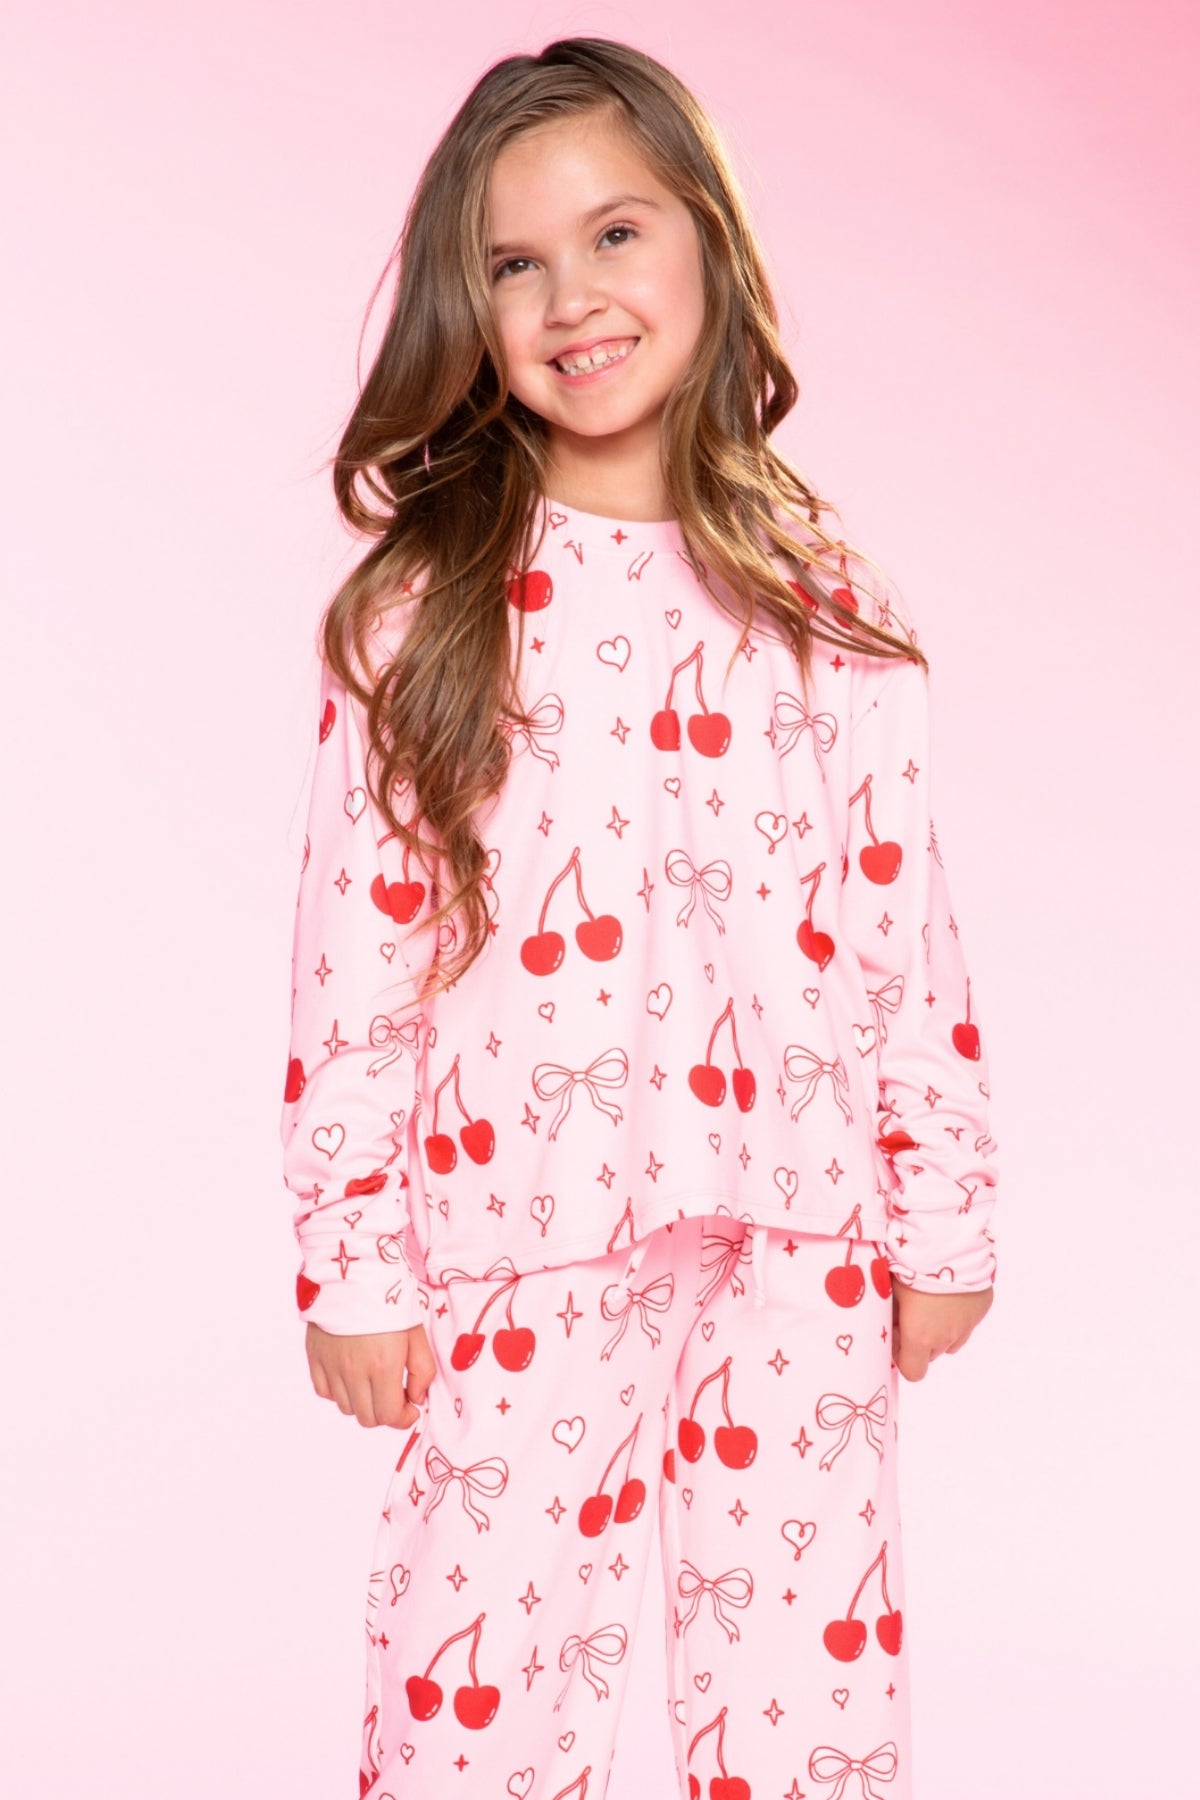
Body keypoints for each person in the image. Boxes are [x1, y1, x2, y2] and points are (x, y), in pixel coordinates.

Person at [279, 36, 999, 1800]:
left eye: (615, 234)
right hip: (521, 1226)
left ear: (708, 245)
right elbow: (356, 957)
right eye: (513, 263)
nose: (570, 297)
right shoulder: (429, 614)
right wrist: (351, 1258)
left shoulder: (827, 599)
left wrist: (945, 1207)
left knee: (806, 1701)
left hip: (796, 1222)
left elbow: (902, 927)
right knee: (480, 1682)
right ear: (468, 310)